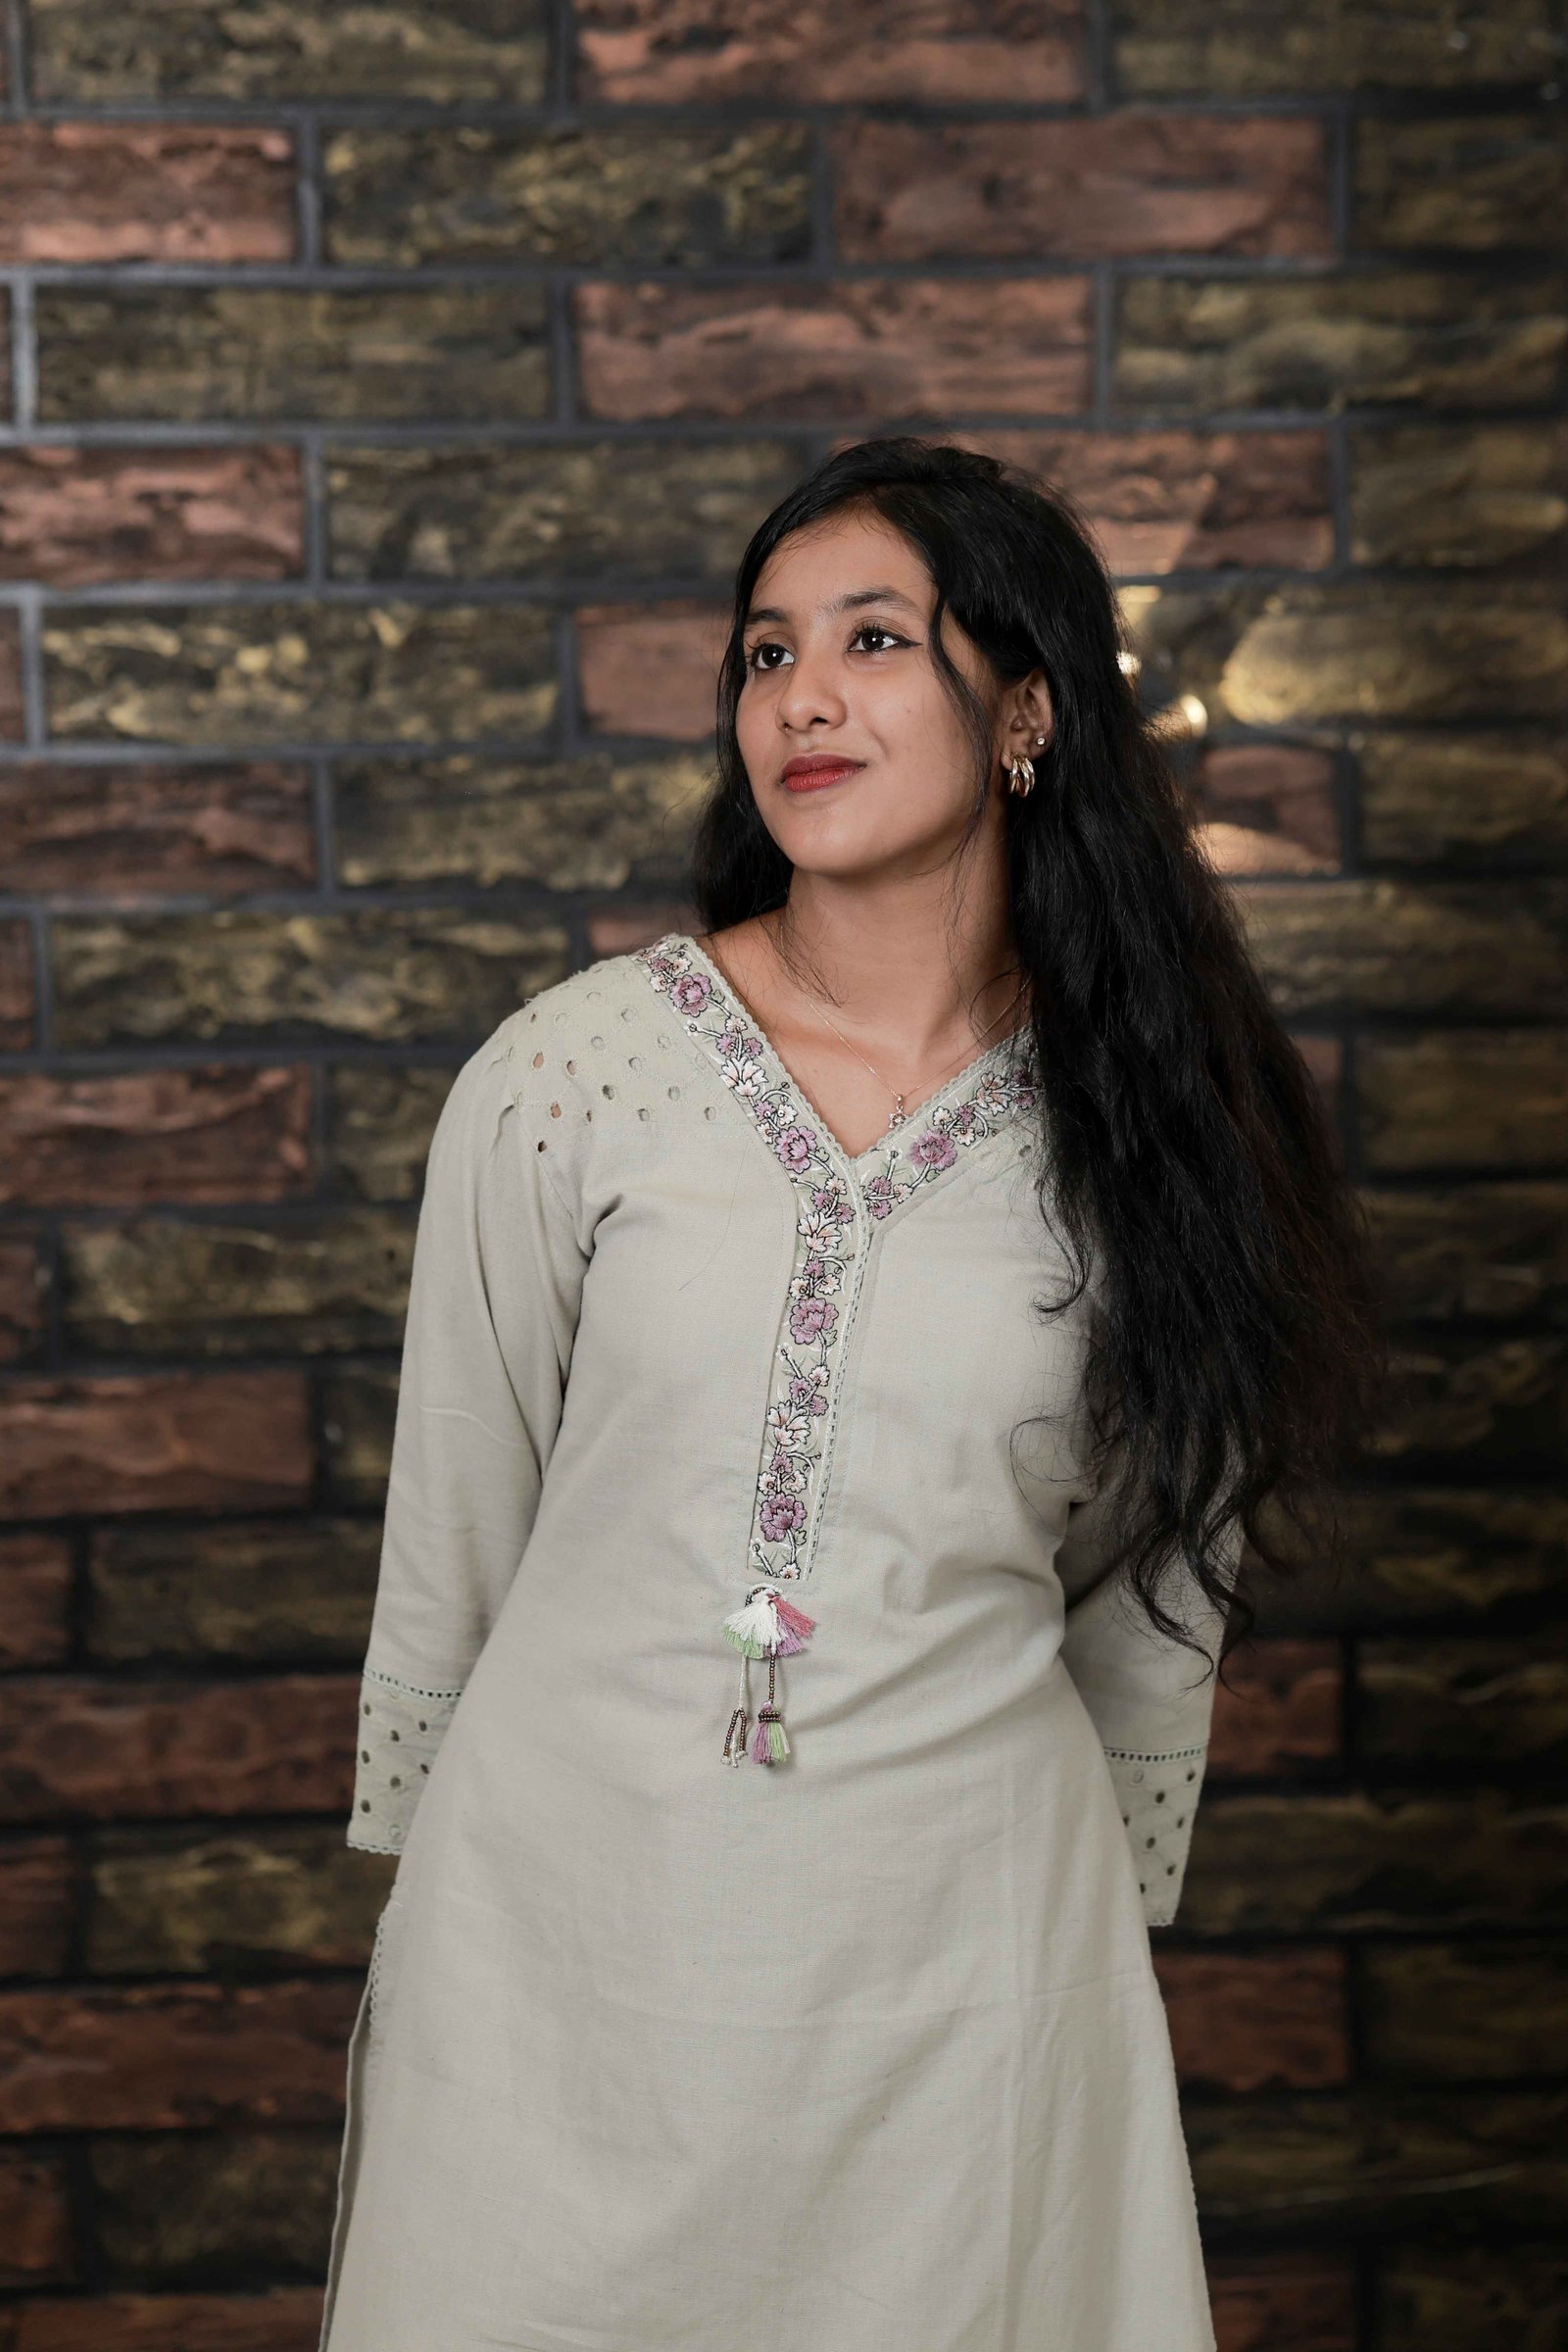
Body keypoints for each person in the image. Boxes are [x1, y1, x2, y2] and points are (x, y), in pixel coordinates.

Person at [317, 435, 1382, 2352]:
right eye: (764, 652)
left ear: (1026, 709)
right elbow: (461, 1527)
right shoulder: (574, 1080)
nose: (799, 696)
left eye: (873, 639)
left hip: (964, 1980)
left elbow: (1147, 1588)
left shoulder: (1152, 1136)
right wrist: (425, 1894)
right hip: (562, 1955)